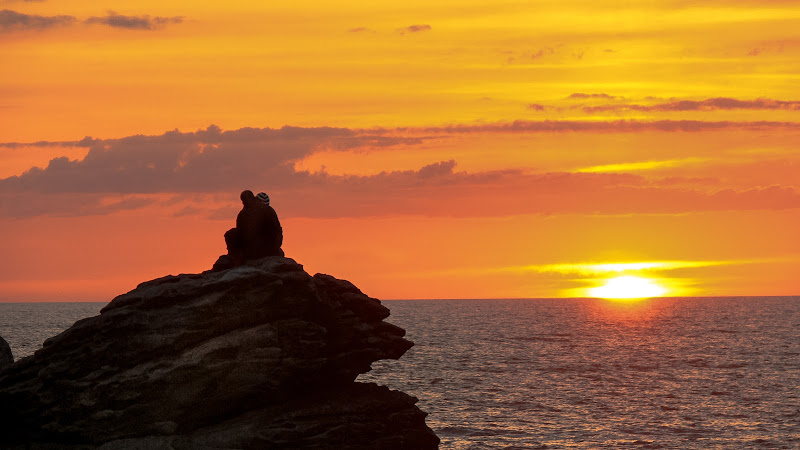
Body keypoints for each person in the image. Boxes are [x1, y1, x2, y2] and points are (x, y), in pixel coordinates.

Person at [236, 190, 284, 259]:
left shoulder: (243, 214)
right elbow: (277, 231)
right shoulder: (268, 210)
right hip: (265, 249)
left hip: (257, 249)